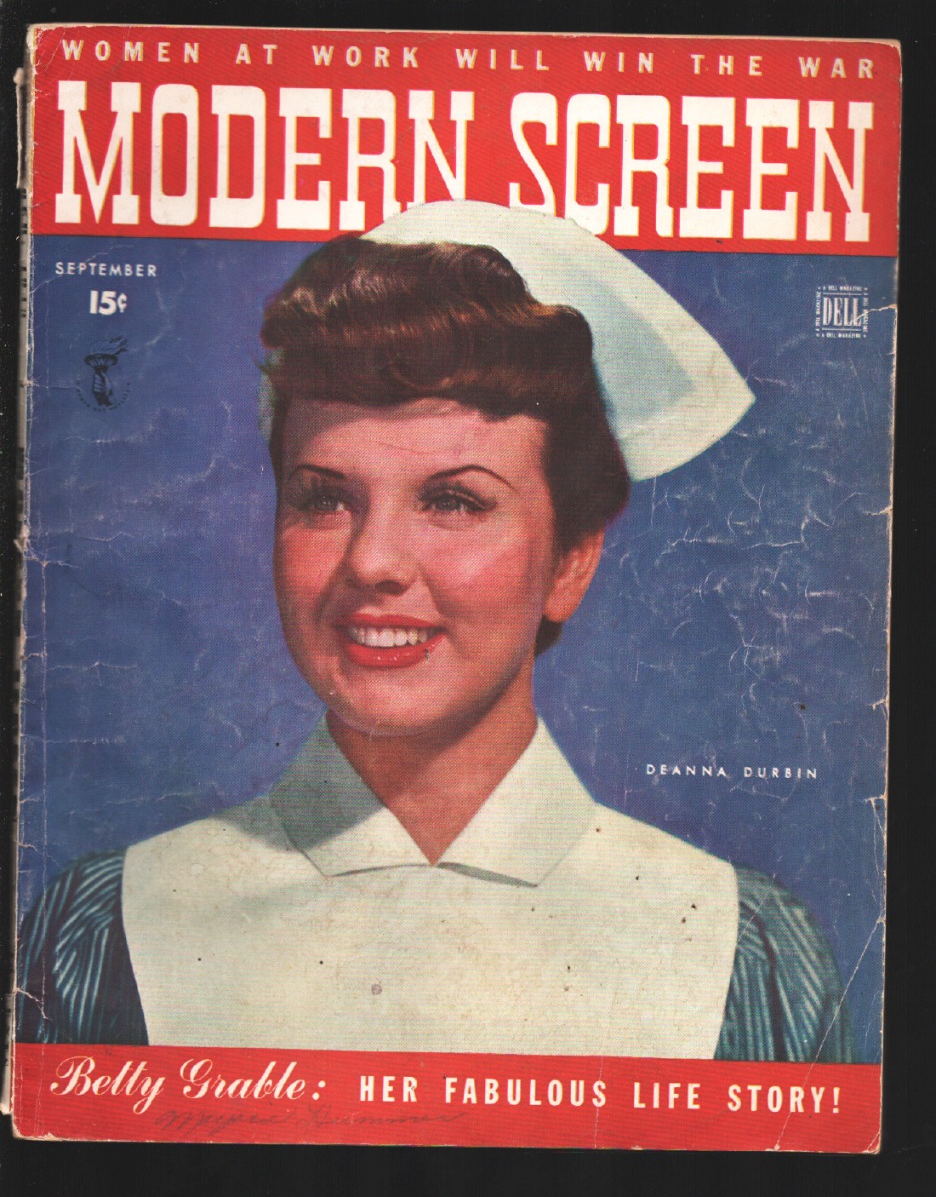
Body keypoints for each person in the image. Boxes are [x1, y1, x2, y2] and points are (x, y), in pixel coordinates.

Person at [17, 203, 854, 1061]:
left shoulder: (741, 951)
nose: (373, 561)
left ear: (570, 560)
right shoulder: (110, 926)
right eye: (324, 499)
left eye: (454, 501)